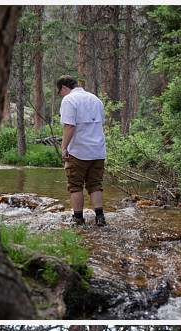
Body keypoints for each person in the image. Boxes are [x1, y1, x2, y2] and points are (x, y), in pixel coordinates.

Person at [56, 76, 107, 226]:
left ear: (64, 87)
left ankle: (78, 219)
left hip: (79, 151)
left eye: (60, 92)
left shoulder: (69, 100)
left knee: (75, 185)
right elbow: (100, 124)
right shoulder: (95, 99)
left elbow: (69, 126)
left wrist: (64, 147)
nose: (61, 95)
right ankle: (100, 218)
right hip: (98, 150)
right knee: (95, 184)